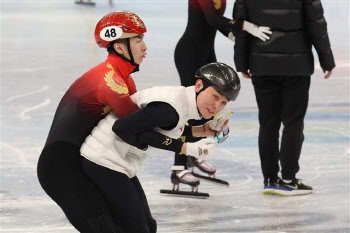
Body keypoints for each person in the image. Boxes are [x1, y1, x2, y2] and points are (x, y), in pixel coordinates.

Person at [80, 62, 241, 232]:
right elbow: (122, 128)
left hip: (115, 161)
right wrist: (186, 148)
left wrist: (203, 130)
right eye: (215, 97)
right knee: (136, 228)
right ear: (199, 85)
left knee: (148, 226)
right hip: (102, 161)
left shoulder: (181, 104)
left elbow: (163, 128)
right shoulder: (171, 108)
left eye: (224, 102)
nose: (217, 106)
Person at [37, 11, 152, 232]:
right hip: (61, 169)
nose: (145, 47)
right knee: (105, 229)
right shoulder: (109, 82)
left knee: (144, 226)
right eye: (138, 40)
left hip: (93, 160)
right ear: (119, 47)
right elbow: (140, 128)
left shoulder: (124, 79)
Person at [233, 0, 335, 196]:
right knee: (293, 123)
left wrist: (242, 62)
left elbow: (241, 26)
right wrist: (326, 60)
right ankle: (288, 179)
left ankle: (270, 179)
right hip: (296, 66)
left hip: (261, 64)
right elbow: (316, 24)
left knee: (268, 123)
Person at [172, 0, 271, 189]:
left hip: (207, 53)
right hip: (189, 54)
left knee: (207, 110)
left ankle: (196, 153)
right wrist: (246, 26)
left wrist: (235, 36)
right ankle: (179, 167)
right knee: (189, 111)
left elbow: (214, 25)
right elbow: (212, 18)